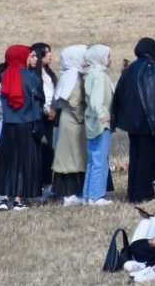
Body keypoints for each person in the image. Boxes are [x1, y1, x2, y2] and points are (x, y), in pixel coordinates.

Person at [113, 38, 155, 203]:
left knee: (136, 157)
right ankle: (144, 193)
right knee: (148, 158)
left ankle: (133, 192)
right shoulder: (150, 69)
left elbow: (119, 95)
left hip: (133, 124)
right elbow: (153, 98)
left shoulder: (130, 69)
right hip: (148, 124)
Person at [0, 45, 44, 210]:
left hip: (8, 124)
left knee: (8, 161)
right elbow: (38, 99)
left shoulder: (4, 75)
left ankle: (4, 199)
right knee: (24, 162)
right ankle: (18, 200)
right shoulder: (30, 77)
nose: (33, 58)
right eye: (30, 56)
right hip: (26, 123)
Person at [51, 45, 88, 206]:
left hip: (68, 120)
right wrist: (82, 117)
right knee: (73, 158)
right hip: (74, 122)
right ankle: (70, 193)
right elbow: (74, 100)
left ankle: (70, 192)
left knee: (69, 157)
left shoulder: (67, 75)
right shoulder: (74, 75)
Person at [82, 44, 115, 206]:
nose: (110, 59)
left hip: (91, 121)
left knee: (92, 160)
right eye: (108, 56)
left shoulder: (91, 74)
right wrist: (103, 115)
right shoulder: (100, 76)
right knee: (100, 160)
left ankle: (88, 194)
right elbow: (97, 100)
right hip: (100, 122)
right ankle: (96, 196)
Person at [30, 43, 58, 201]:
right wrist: (46, 110)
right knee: (41, 152)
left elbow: (54, 94)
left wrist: (54, 109)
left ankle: (48, 185)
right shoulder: (34, 75)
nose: (50, 55)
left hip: (50, 119)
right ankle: (38, 186)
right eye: (46, 53)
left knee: (49, 153)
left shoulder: (50, 74)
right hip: (40, 118)